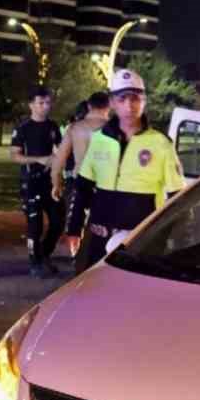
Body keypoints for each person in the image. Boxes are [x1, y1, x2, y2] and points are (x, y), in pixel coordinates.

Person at [63, 69, 185, 273]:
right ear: (112, 102)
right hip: (99, 236)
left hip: (139, 240)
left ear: (144, 101)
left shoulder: (161, 143)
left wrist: (169, 237)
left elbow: (176, 197)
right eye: (122, 98)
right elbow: (83, 187)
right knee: (93, 292)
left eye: (136, 98)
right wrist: (74, 228)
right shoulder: (99, 139)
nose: (129, 105)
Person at [11, 86, 64, 277]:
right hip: (31, 182)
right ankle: (35, 262)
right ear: (31, 105)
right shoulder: (22, 128)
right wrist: (39, 159)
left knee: (58, 222)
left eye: (48, 103)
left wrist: (59, 163)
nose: (45, 107)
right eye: (41, 103)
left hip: (50, 181)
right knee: (35, 226)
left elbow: (60, 149)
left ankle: (44, 254)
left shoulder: (53, 127)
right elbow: (15, 156)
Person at [50, 91, 110, 202]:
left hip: (80, 184)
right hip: (107, 187)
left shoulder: (74, 128)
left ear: (89, 106)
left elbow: (58, 162)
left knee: (76, 219)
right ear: (109, 106)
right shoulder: (117, 129)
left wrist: (56, 184)